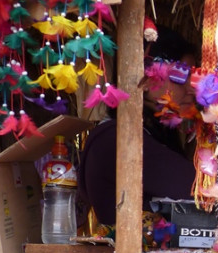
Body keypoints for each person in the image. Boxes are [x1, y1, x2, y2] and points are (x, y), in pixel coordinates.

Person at [77, 25, 198, 228]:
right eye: (180, 77)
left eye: (192, 79)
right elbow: (198, 188)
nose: (190, 90)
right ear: (147, 79)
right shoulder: (117, 139)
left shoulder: (148, 134)